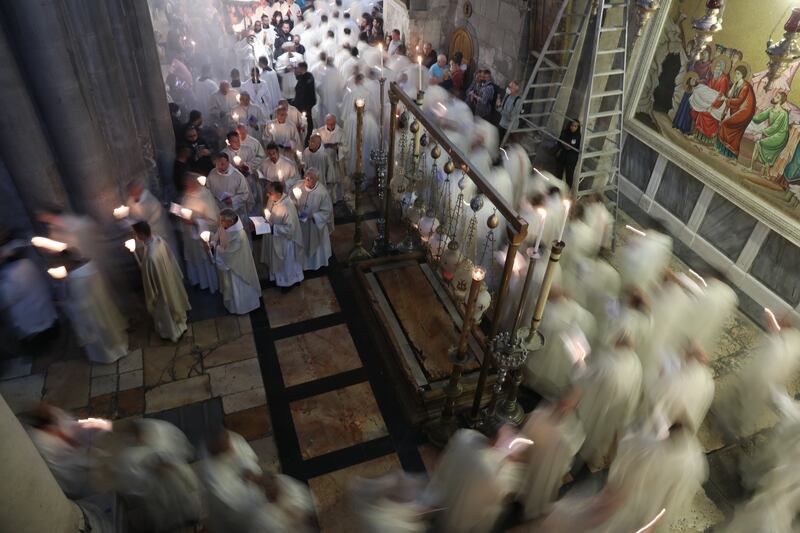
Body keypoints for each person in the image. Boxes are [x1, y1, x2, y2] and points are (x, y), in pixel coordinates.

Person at [202, 430, 315, 532]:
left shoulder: (289, 488)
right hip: (232, 508)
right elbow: (236, 500)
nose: (230, 443)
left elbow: (249, 457)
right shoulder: (215, 476)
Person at [111, 419, 202, 531]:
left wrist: (169, 462)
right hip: (157, 498)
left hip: (178, 484)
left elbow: (183, 448)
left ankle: (193, 521)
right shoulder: (128, 456)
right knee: (167, 520)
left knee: (189, 510)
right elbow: (131, 485)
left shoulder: (162, 430)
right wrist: (150, 471)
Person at [574, 335, 643, 470]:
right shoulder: (636, 363)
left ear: (618, 343)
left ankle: (579, 462)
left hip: (596, 408)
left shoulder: (606, 364)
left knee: (589, 433)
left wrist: (579, 361)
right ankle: (593, 459)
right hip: (615, 412)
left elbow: (582, 381)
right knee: (602, 436)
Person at [516, 392, 585, 520]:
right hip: (540, 461)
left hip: (545, 463)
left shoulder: (562, 431)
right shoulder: (542, 416)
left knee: (538, 481)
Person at [61, 252, 129, 364]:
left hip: (91, 314)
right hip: (102, 303)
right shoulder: (91, 266)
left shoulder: (75, 279)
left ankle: (108, 356)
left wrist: (66, 304)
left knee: (100, 336)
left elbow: (78, 303)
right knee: (109, 328)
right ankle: (119, 349)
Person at [132, 221, 190, 342]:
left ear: (141, 234)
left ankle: (172, 332)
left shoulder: (150, 257)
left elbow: (149, 280)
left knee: (166, 309)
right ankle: (180, 324)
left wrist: (142, 267)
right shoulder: (159, 240)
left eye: (135, 234)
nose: (135, 237)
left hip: (161, 289)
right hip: (170, 280)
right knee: (174, 301)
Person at [0, 231, 58, 341]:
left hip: (35, 333)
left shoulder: (9, 274)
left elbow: (3, 302)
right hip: (51, 322)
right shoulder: (28, 263)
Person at [213, 209, 261, 314]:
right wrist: (212, 242)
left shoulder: (239, 235)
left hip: (238, 266)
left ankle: (244, 307)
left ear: (229, 222)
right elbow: (218, 234)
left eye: (222, 220)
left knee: (239, 285)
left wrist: (216, 249)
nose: (220, 223)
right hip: (232, 263)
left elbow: (229, 252)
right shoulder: (225, 226)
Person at [179, 173, 219, 293]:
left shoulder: (205, 195)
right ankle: (198, 282)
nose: (187, 187)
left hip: (201, 235)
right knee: (193, 258)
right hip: (190, 237)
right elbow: (182, 209)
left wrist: (195, 222)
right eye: (186, 185)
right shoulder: (186, 194)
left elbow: (213, 220)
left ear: (194, 183)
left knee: (205, 260)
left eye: (189, 185)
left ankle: (210, 283)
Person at [264, 181, 304, 292]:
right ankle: (282, 279)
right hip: (276, 238)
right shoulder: (274, 199)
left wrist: (274, 228)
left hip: (286, 241)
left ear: (278, 193)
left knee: (287, 263)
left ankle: (288, 283)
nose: (268, 195)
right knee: (280, 262)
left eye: (270, 193)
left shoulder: (287, 206)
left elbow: (290, 229)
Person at [126, 180, 179, 263]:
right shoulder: (130, 202)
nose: (130, 194)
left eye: (133, 191)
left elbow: (155, 222)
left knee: (166, 262)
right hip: (144, 241)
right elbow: (131, 217)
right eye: (130, 192)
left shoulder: (152, 202)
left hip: (159, 238)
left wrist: (139, 227)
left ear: (139, 189)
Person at [293, 169, 333, 270]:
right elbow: (291, 198)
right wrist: (294, 206)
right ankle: (302, 265)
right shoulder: (298, 186)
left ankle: (315, 264)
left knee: (315, 245)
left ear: (317, 179)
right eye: (306, 176)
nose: (307, 179)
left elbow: (327, 212)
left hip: (314, 226)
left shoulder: (322, 193)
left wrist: (313, 216)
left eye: (310, 178)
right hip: (300, 224)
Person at [715, 64, 756, 159]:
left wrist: (725, 99)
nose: (735, 75)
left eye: (738, 74)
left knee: (726, 124)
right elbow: (731, 97)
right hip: (738, 110)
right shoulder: (737, 84)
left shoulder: (745, 86)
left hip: (745, 112)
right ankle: (726, 153)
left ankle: (730, 153)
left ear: (742, 75)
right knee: (734, 133)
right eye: (735, 73)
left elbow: (739, 101)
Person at [207, 152, 253, 223]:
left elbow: (245, 194)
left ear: (228, 162)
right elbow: (208, 190)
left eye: (222, 164)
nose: (220, 167)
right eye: (217, 164)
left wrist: (233, 200)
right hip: (218, 209)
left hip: (234, 209)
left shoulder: (237, 176)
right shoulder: (212, 173)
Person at [752, 91, 790, 174]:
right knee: (761, 145)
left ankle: (751, 168)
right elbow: (759, 117)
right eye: (775, 96)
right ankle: (762, 172)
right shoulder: (771, 109)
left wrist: (760, 131)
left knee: (759, 143)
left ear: (780, 101)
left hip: (781, 136)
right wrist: (750, 115)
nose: (774, 97)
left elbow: (775, 127)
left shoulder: (783, 113)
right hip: (773, 134)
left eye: (777, 97)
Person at [291, 62, 316, 144]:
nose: (296, 70)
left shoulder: (305, 80)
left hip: (305, 107)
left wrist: (294, 103)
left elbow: (301, 94)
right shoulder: (309, 76)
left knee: (306, 124)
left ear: (301, 69)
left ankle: (307, 140)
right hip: (306, 106)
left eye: (297, 68)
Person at [556, 119, 581, 188]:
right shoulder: (565, 132)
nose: (573, 127)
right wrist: (564, 145)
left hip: (571, 158)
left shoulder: (579, 136)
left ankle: (567, 191)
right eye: (572, 125)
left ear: (578, 128)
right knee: (558, 173)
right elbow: (559, 142)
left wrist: (571, 148)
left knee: (569, 176)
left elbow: (579, 149)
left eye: (575, 126)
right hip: (563, 155)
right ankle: (556, 189)